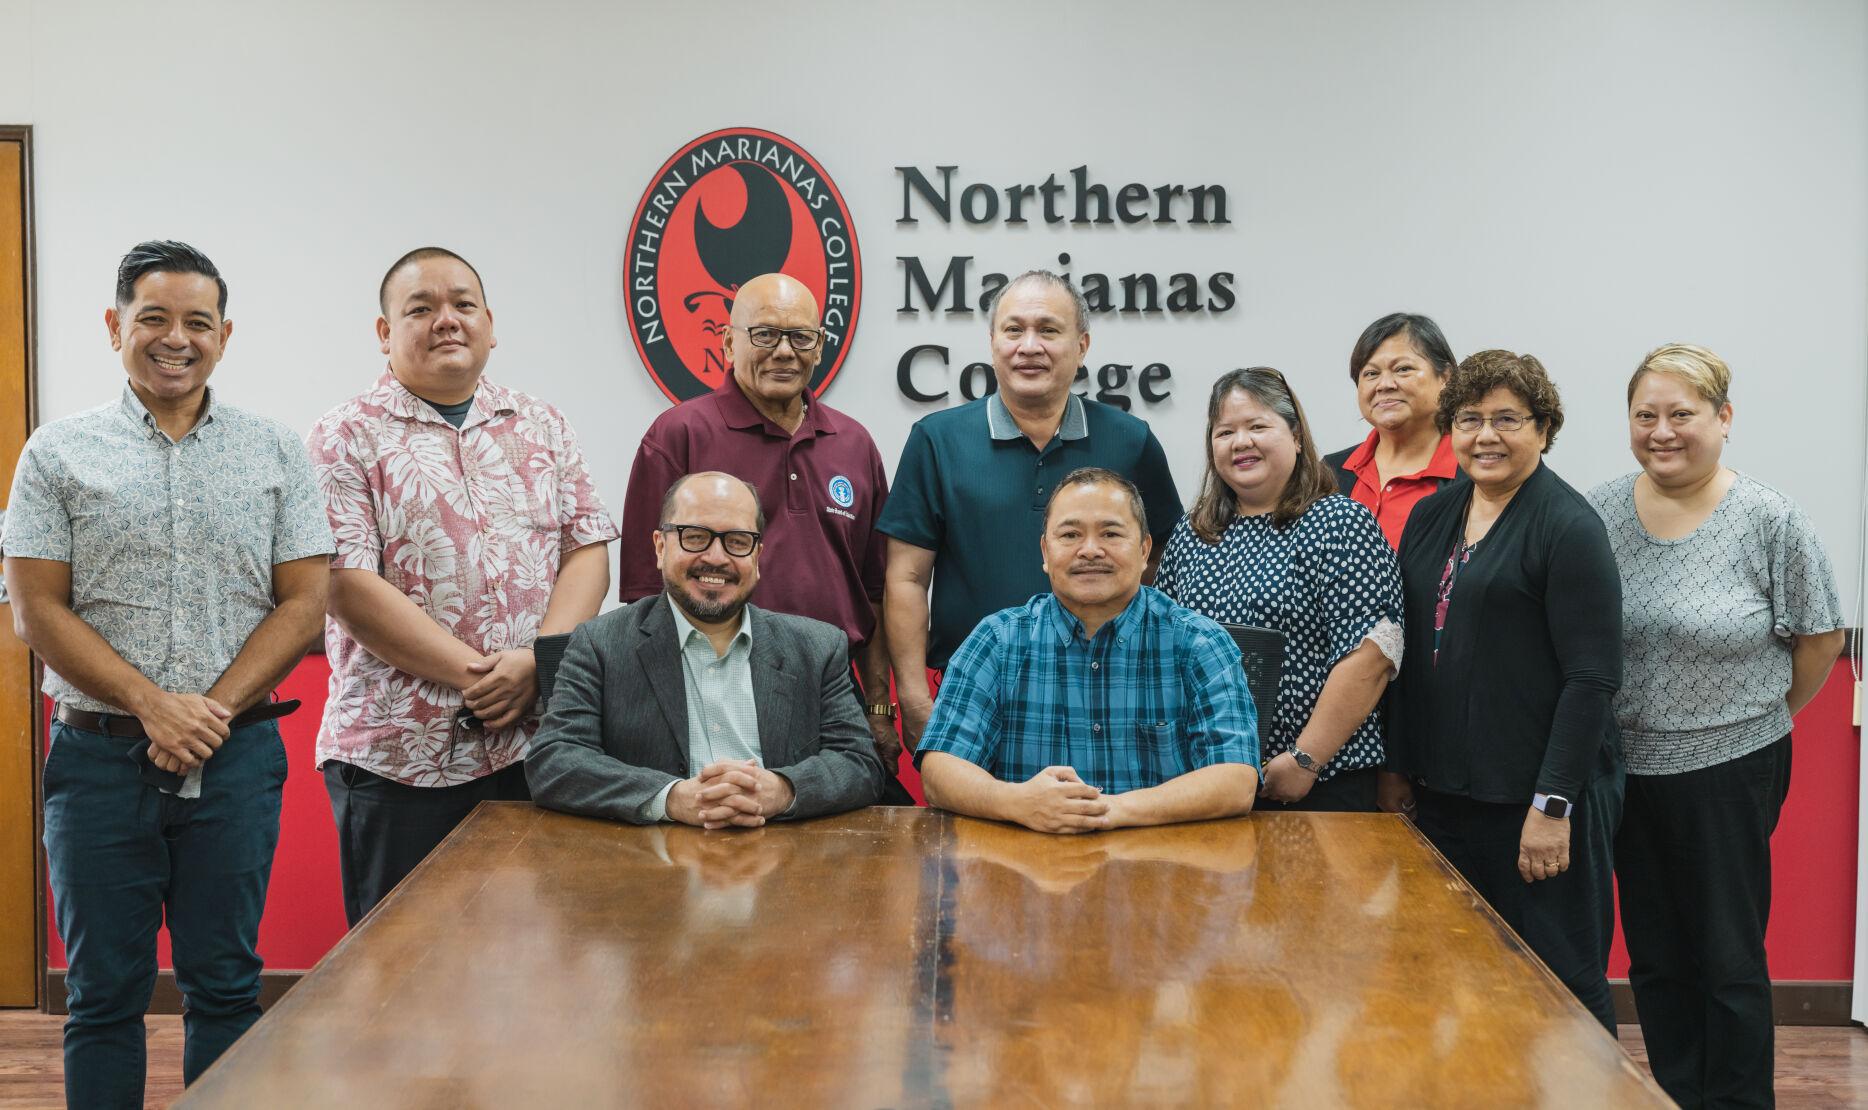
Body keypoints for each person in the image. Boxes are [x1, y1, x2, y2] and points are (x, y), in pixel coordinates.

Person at [1, 241, 333, 1107]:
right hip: (97, 766)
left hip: (236, 763)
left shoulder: (276, 452)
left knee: (226, 987)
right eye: (153, 318)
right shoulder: (56, 452)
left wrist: (206, 717)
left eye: (197, 321)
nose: (175, 337)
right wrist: (153, 708)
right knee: (103, 996)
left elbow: (303, 603)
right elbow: (38, 611)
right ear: (115, 327)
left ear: (225, 334)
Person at [307, 246, 618, 925]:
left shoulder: (542, 423)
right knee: (402, 973)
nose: (446, 320)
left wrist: (539, 663)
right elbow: (346, 583)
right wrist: (482, 676)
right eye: (420, 308)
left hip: (539, 745)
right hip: (400, 758)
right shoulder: (344, 436)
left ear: (490, 323)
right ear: (385, 333)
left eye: (462, 304)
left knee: (538, 958)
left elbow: (587, 549)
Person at [1588, 344, 1843, 1107]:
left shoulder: (1768, 517)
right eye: (1645, 416)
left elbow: (1821, 637)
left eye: (1681, 414)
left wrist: (1763, 719)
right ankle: (1676, 1094)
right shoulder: (1598, 511)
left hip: (1733, 764)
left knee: (1727, 955)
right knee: (1657, 959)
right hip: (1627, 767)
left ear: (1723, 419)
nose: (1662, 431)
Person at [1385, 349, 1624, 1031]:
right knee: (1459, 978)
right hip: (1447, 795)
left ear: (1544, 429)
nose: (1485, 435)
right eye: (1469, 419)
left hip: (1535, 801)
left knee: (1562, 986)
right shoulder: (1436, 514)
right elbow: (1411, 647)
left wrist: (1552, 806)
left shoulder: (1569, 526)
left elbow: (1592, 678)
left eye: (1507, 419)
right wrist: (1401, 768)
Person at [615, 273, 905, 793]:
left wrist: (880, 706)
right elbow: (644, 594)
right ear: (728, 342)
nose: (784, 352)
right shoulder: (678, 435)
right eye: (765, 334)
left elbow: (874, 592)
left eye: (801, 337)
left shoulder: (854, 443)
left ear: (819, 347)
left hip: (834, 694)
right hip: (716, 694)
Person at [880, 270, 1182, 752]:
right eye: (1014, 329)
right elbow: (906, 579)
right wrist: (915, 700)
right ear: (992, 341)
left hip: (1108, 694)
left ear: (1082, 345)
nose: (1029, 346)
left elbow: (1160, 562)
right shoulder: (937, 440)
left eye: (1049, 330)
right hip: (969, 692)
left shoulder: (1131, 439)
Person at [915, 468, 1259, 833]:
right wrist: (1018, 803)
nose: (1091, 550)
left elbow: (1235, 782)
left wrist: (1104, 811)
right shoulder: (997, 640)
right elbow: (940, 771)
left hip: (1161, 871)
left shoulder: (1200, 642)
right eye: (1070, 534)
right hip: (1024, 871)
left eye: (1110, 533)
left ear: (1144, 550)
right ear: (1046, 552)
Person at [528, 472, 885, 823]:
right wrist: (671, 798)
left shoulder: (817, 648)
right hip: (650, 865)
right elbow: (554, 761)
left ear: (758, 556)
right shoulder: (599, 644)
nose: (716, 558)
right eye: (695, 537)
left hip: (784, 860)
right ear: (660, 546)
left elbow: (859, 762)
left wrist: (782, 790)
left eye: (738, 541)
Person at [1154, 368, 1403, 811]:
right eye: (1224, 431)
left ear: (1297, 437)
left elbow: (1373, 654)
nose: (1240, 442)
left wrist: (1305, 760)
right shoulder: (1193, 532)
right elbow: (1161, 647)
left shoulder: (1340, 523)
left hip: (1319, 783)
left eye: (1257, 426)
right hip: (1207, 780)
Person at [1323, 313, 1460, 548]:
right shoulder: (1329, 472)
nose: (1384, 384)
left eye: (1403, 369)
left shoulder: (1472, 474)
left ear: (1445, 378)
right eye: (1371, 374)